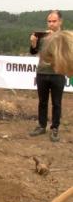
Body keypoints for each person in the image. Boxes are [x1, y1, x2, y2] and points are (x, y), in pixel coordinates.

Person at [29, 10, 65, 142]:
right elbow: (33, 51)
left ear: (60, 21)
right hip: (42, 72)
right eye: (49, 21)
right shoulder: (42, 36)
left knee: (56, 103)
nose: (51, 24)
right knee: (42, 102)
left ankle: (55, 128)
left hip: (58, 74)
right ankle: (41, 126)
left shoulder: (64, 36)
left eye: (54, 21)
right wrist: (33, 42)